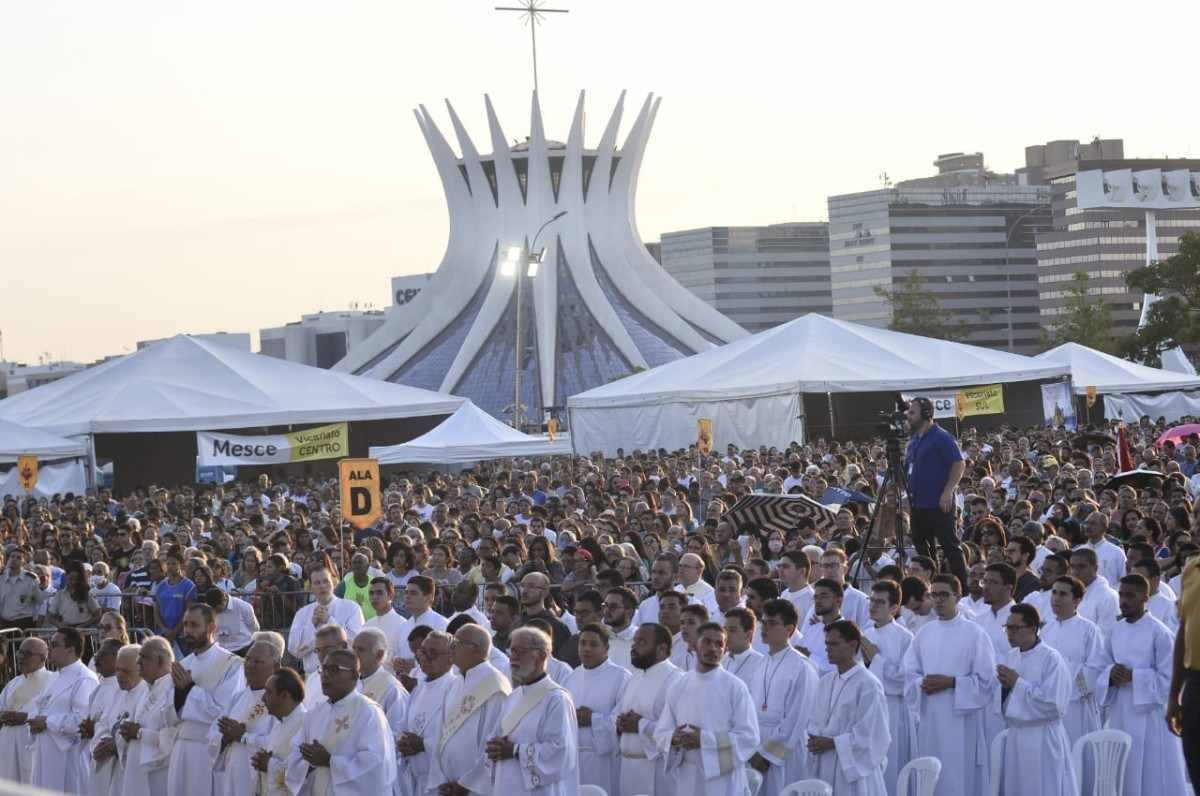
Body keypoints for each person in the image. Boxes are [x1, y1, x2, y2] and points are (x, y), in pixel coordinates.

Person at [901, 573, 997, 796]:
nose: (939, 600)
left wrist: (952, 683)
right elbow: (908, 673)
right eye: (934, 595)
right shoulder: (924, 633)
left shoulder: (975, 634)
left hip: (961, 722)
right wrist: (921, 683)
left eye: (944, 595)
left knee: (959, 777)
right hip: (930, 719)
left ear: (958, 595)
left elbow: (987, 681)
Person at [1095, 574, 1188, 796]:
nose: (1123, 601)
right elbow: (1101, 667)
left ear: (1145, 597)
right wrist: (1110, 675)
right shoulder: (1115, 631)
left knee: (1151, 776)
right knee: (1124, 772)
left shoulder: (1160, 633)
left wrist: (1135, 677)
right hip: (1120, 713)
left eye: (1130, 595)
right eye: (1121, 595)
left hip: (1149, 717)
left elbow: (1170, 679)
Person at [461, 626, 579, 795]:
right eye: (511, 651)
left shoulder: (556, 699)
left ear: (541, 656)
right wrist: (493, 746)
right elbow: (497, 737)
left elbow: (561, 752)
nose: (512, 658)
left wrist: (515, 751)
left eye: (519, 651)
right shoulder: (513, 697)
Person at [653, 622, 760, 796]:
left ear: (725, 650)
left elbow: (749, 738)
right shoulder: (679, 685)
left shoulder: (735, 687)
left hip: (721, 779)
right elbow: (661, 731)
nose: (713, 648)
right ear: (695, 644)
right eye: (707, 642)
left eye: (719, 644)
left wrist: (704, 739)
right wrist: (673, 737)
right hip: (686, 775)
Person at [285, 648, 397, 795]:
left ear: (355, 676)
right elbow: (296, 750)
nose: (325, 675)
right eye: (323, 669)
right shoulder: (315, 713)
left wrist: (330, 761)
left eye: (334, 670)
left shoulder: (368, 712)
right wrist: (306, 762)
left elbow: (376, 764)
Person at [994, 604, 1078, 796]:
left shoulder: (1051, 659)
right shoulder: (1011, 656)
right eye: (1007, 627)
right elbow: (1002, 702)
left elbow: (1053, 704)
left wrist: (1017, 683)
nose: (1010, 633)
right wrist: (1005, 690)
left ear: (1033, 628)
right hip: (1017, 737)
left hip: (1043, 739)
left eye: (1015, 628)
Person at [805, 620, 891, 796]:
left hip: (852, 771)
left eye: (834, 643)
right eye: (827, 644)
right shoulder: (826, 681)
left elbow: (873, 735)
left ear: (853, 645)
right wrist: (815, 738)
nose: (828, 648)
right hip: (825, 763)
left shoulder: (868, 684)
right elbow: (814, 720)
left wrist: (833, 743)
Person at [429, 623, 510, 796]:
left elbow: (494, 742)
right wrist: (441, 779)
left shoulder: (495, 686)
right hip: (447, 785)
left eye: (456, 642)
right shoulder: (454, 684)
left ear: (477, 650)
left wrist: (467, 785)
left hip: (476, 788)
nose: (451, 647)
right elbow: (440, 733)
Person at [749, 598, 819, 796]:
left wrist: (768, 755)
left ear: (789, 630)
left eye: (772, 623)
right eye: (763, 622)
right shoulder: (761, 663)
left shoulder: (802, 667)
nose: (764, 628)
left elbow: (797, 718)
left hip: (785, 750)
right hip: (758, 745)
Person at [903, 396, 968, 588]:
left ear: (926, 414)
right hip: (918, 505)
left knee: (950, 547)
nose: (908, 416)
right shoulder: (914, 440)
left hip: (939, 503)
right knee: (923, 551)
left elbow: (959, 463)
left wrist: (948, 492)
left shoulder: (941, 436)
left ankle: (961, 589)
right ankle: (931, 586)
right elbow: (910, 470)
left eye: (912, 413)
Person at [28, 626, 100, 793]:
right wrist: (33, 719)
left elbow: (82, 721)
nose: (49, 649)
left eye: (54, 644)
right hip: (44, 753)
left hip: (68, 757)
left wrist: (47, 722)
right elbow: (39, 707)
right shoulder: (54, 677)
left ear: (70, 649)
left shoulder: (85, 679)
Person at [616, 622, 684, 796]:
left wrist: (640, 725)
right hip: (628, 769)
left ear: (661, 649)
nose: (634, 646)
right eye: (634, 641)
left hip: (657, 771)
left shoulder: (676, 680)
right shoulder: (635, 676)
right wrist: (620, 724)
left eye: (641, 642)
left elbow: (680, 733)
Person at [563, 622, 632, 795]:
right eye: (582, 643)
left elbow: (623, 720)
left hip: (604, 760)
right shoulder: (572, 676)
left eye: (593, 644)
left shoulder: (621, 677)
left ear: (606, 648)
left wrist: (592, 719)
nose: (586, 649)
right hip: (574, 759)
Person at [206, 637, 280, 796]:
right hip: (233, 776)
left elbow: (281, 743)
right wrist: (225, 738)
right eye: (248, 660)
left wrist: (243, 736)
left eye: (258, 661)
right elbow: (213, 734)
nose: (250, 665)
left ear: (276, 666)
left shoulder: (281, 701)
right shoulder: (237, 698)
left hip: (260, 778)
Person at [861, 580, 914, 796]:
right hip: (868, 710)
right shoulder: (865, 634)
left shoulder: (905, 637)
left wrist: (875, 658)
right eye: (871, 600)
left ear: (894, 608)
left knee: (892, 765)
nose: (873, 606)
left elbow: (905, 679)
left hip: (893, 710)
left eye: (880, 602)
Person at [1040, 575, 1104, 744]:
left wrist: (1066, 687)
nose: (1056, 598)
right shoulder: (1046, 629)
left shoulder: (1089, 630)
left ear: (1076, 600)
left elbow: (1096, 669)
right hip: (1048, 704)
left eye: (1063, 594)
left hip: (1076, 706)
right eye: (1054, 592)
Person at [395, 630, 457, 796]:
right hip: (414, 779)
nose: (423, 657)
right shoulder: (420, 687)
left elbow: (457, 738)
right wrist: (402, 740)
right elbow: (404, 723)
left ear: (451, 657)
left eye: (433, 653)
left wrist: (424, 745)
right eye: (422, 651)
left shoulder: (456, 689)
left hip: (440, 782)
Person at [118, 637, 176, 796]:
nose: (138, 663)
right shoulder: (145, 689)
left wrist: (139, 734)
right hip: (135, 771)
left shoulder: (174, 690)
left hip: (160, 774)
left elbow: (174, 738)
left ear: (160, 660)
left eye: (144, 658)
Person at [90, 643, 148, 796]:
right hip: (111, 772)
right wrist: (100, 743)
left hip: (135, 773)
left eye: (126, 671)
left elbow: (145, 734)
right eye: (117, 670)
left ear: (141, 670)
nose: (120, 676)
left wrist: (117, 746)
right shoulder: (118, 693)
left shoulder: (147, 695)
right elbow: (104, 723)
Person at [287, 567, 364, 674]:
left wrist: (330, 621)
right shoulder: (302, 613)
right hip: (313, 675)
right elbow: (294, 650)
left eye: (325, 581)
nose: (322, 586)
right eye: (317, 583)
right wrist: (312, 626)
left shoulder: (352, 608)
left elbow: (357, 642)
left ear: (334, 582)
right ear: (311, 587)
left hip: (344, 673)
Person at [0, 636, 51, 784]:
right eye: (19, 653)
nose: (21, 658)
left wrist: (26, 717)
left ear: (42, 658)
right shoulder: (14, 683)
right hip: (7, 743)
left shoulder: (52, 681)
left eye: (27, 654)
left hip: (30, 743)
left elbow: (54, 714)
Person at [252, 667, 306, 796]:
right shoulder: (279, 723)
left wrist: (269, 764)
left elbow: (304, 774)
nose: (263, 698)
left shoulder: (306, 726)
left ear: (284, 696)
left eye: (269, 692)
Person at [78, 639, 123, 793]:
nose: (97, 657)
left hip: (114, 759)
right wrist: (87, 728)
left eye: (103, 654)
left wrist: (95, 728)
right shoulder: (99, 686)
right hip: (96, 754)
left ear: (117, 656)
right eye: (97, 652)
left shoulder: (123, 686)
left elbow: (116, 720)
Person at [352, 627, 408, 733]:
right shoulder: (350, 683)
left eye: (360, 650)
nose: (354, 654)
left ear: (379, 654)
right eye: (353, 648)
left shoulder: (392, 689)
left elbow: (397, 733)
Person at [392, 576, 449, 678]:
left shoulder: (442, 624)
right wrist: (397, 661)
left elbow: (446, 659)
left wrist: (415, 665)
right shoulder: (403, 626)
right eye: (406, 592)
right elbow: (396, 653)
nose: (407, 597)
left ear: (429, 597)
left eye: (413, 593)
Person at [798, 578, 844, 675]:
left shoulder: (846, 633)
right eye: (816, 597)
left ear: (838, 601)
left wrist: (808, 655)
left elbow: (836, 669)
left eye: (824, 596)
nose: (818, 601)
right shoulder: (813, 628)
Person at [1072, 548, 1120, 636]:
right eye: (1073, 567)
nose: (1075, 572)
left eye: (1081, 566)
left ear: (1095, 568)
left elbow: (1105, 636)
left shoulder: (1108, 597)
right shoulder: (1070, 593)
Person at [206, 587, 261, 656]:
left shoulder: (243, 606)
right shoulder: (210, 609)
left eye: (218, 609)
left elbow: (254, 628)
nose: (216, 612)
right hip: (220, 651)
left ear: (224, 600)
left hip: (242, 649)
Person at [721, 607, 764, 691]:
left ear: (748, 635)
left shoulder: (761, 664)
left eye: (732, 630)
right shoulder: (722, 660)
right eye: (725, 630)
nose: (726, 635)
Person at [601, 586, 639, 673]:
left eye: (613, 606)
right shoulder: (600, 637)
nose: (606, 610)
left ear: (629, 611)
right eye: (605, 605)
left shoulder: (640, 640)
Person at [777, 550, 815, 622]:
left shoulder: (812, 599)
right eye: (779, 566)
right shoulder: (784, 594)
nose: (780, 570)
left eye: (785, 566)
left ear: (802, 571)